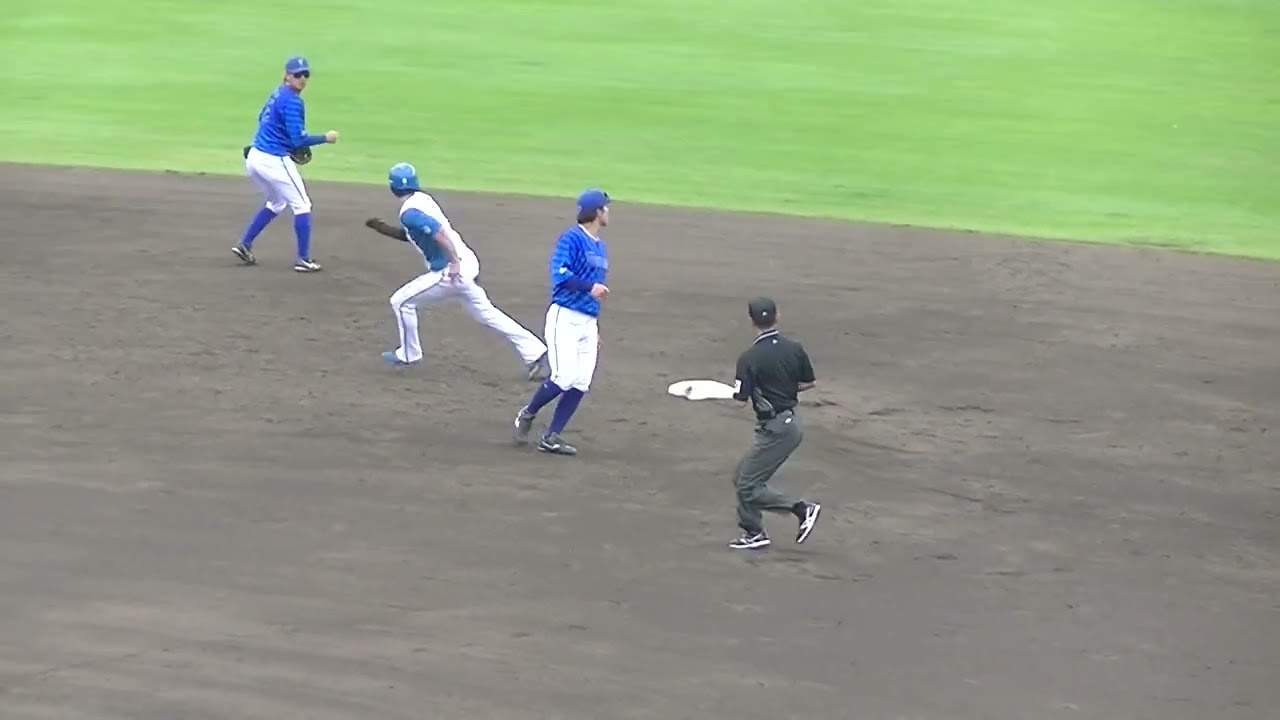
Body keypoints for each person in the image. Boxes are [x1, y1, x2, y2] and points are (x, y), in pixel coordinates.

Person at [363, 163, 550, 379]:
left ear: (392, 187)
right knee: (486, 313)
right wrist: (383, 229)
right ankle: (534, 350)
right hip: (468, 263)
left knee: (401, 302)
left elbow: (438, 233)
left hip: (451, 271)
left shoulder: (409, 213)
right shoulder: (423, 200)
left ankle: (409, 353)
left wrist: (453, 262)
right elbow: (418, 235)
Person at [511, 189, 611, 456]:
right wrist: (589, 287)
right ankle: (528, 413)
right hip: (564, 317)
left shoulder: (600, 246)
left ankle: (551, 436)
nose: (608, 212)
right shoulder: (572, 238)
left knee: (581, 382)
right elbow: (560, 273)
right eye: (606, 208)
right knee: (563, 377)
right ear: (597, 212)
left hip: (588, 321)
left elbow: (595, 291)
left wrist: (595, 327)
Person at [727, 297, 822, 550]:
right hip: (789, 423)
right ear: (777, 316)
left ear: (751, 321)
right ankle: (754, 531)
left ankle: (801, 509)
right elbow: (808, 383)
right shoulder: (794, 348)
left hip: (777, 430)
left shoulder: (749, 358)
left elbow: (740, 399)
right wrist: (784, 389)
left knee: (748, 485)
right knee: (741, 477)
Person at [233, 56, 338, 273]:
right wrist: (325, 138)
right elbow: (298, 140)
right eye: (297, 75)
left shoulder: (278, 93)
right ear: (287, 76)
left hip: (255, 157)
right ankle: (304, 259)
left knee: (277, 202)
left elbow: (262, 118)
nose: (302, 79)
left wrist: (275, 140)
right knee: (302, 205)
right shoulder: (293, 102)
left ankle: (244, 244)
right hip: (273, 160)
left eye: (305, 74)